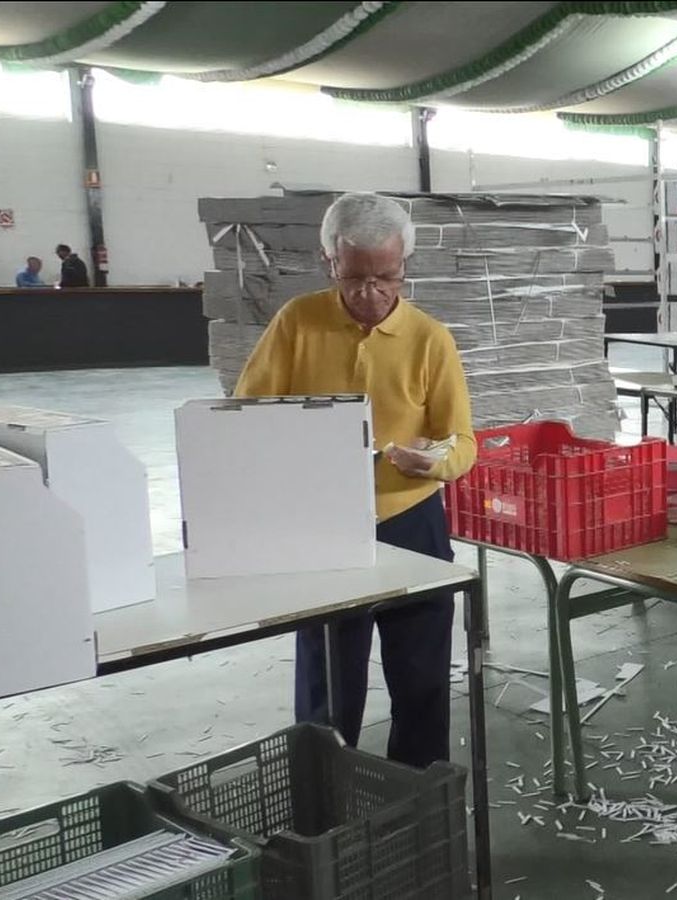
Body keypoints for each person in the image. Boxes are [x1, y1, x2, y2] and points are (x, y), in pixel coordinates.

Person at [234, 192, 476, 768]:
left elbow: (461, 441)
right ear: (329, 262)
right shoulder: (297, 323)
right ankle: (325, 789)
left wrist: (434, 462)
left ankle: (418, 793)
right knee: (328, 683)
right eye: (354, 278)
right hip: (324, 526)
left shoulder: (430, 339)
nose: (371, 293)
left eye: (386, 278)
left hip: (411, 522)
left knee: (421, 678)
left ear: (404, 266)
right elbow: (245, 415)